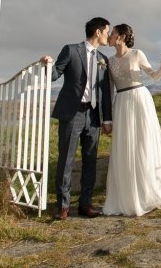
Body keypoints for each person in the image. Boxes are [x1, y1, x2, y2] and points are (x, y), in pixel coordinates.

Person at [102, 23, 161, 216]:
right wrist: (108, 117)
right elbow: (109, 90)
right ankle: (128, 196)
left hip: (139, 99)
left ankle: (148, 191)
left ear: (121, 36)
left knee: (143, 142)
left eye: (112, 33)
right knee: (125, 146)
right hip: (121, 102)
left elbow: (153, 77)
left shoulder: (137, 54)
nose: (110, 36)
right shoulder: (109, 61)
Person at [41, 16, 113, 220]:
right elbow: (55, 75)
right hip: (72, 114)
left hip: (93, 116)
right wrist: (47, 64)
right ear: (97, 32)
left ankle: (85, 204)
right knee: (66, 160)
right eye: (107, 31)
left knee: (90, 160)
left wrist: (107, 119)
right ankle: (63, 206)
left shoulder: (103, 59)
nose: (108, 36)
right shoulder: (71, 50)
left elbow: (105, 93)